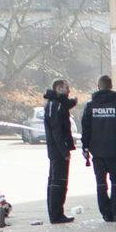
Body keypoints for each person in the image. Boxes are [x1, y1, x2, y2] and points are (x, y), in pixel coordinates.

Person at [81, 75, 116, 223]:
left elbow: (85, 128)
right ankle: (115, 211)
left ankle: (105, 213)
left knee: (101, 183)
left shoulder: (90, 105)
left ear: (98, 87)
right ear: (111, 86)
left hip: (97, 151)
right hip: (114, 150)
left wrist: (85, 147)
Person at [41, 79, 78, 223]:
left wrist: (72, 102)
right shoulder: (55, 106)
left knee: (55, 180)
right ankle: (56, 214)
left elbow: (64, 105)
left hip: (55, 150)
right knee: (59, 182)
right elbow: (57, 130)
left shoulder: (54, 104)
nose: (68, 91)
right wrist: (64, 151)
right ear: (58, 88)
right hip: (58, 151)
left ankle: (55, 213)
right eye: (66, 88)